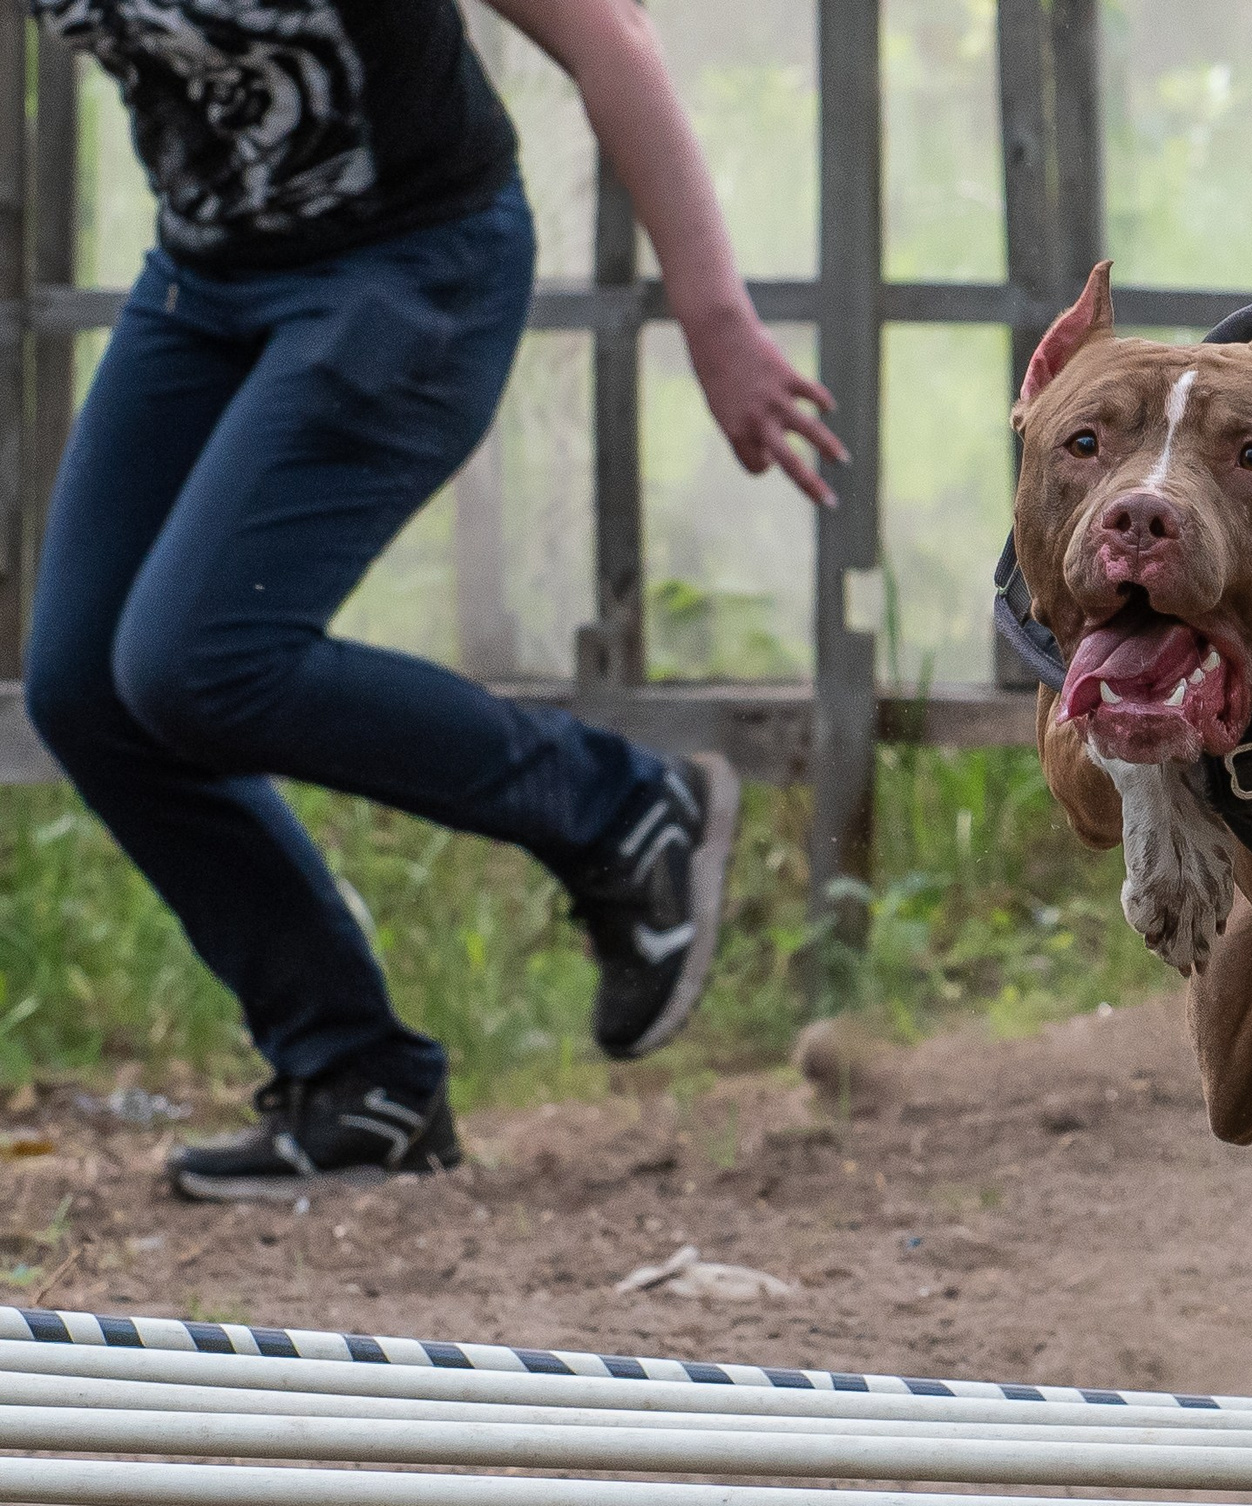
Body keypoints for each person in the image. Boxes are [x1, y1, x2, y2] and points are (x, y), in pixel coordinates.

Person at [19, 0, 845, 1201]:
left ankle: (618, 808)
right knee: (82, 687)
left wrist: (714, 320)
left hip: (414, 268)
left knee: (199, 661)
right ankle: (361, 1084)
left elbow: (608, 35)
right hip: (202, 287)